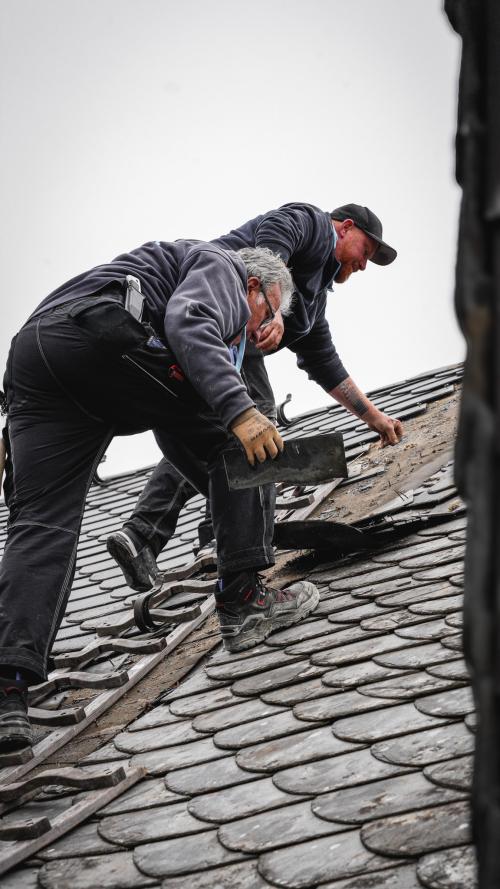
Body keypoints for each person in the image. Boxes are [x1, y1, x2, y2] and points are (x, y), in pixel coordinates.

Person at [0, 241, 320, 752]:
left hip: (38, 357)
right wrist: (241, 412)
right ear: (254, 287)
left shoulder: (166, 280)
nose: (259, 330)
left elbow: (176, 429)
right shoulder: (223, 266)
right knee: (236, 439)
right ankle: (244, 599)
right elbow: (190, 320)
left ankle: (8, 693)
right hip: (107, 338)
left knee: (41, 523)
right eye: (266, 312)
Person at [107, 203, 404, 591]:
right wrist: (272, 311)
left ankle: (144, 535)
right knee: (254, 416)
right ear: (345, 228)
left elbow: (326, 364)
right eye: (366, 252)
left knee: (213, 430)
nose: (365, 265)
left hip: (211, 342)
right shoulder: (313, 224)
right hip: (206, 319)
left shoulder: (312, 305)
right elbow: (273, 237)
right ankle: (223, 535)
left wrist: (375, 418)